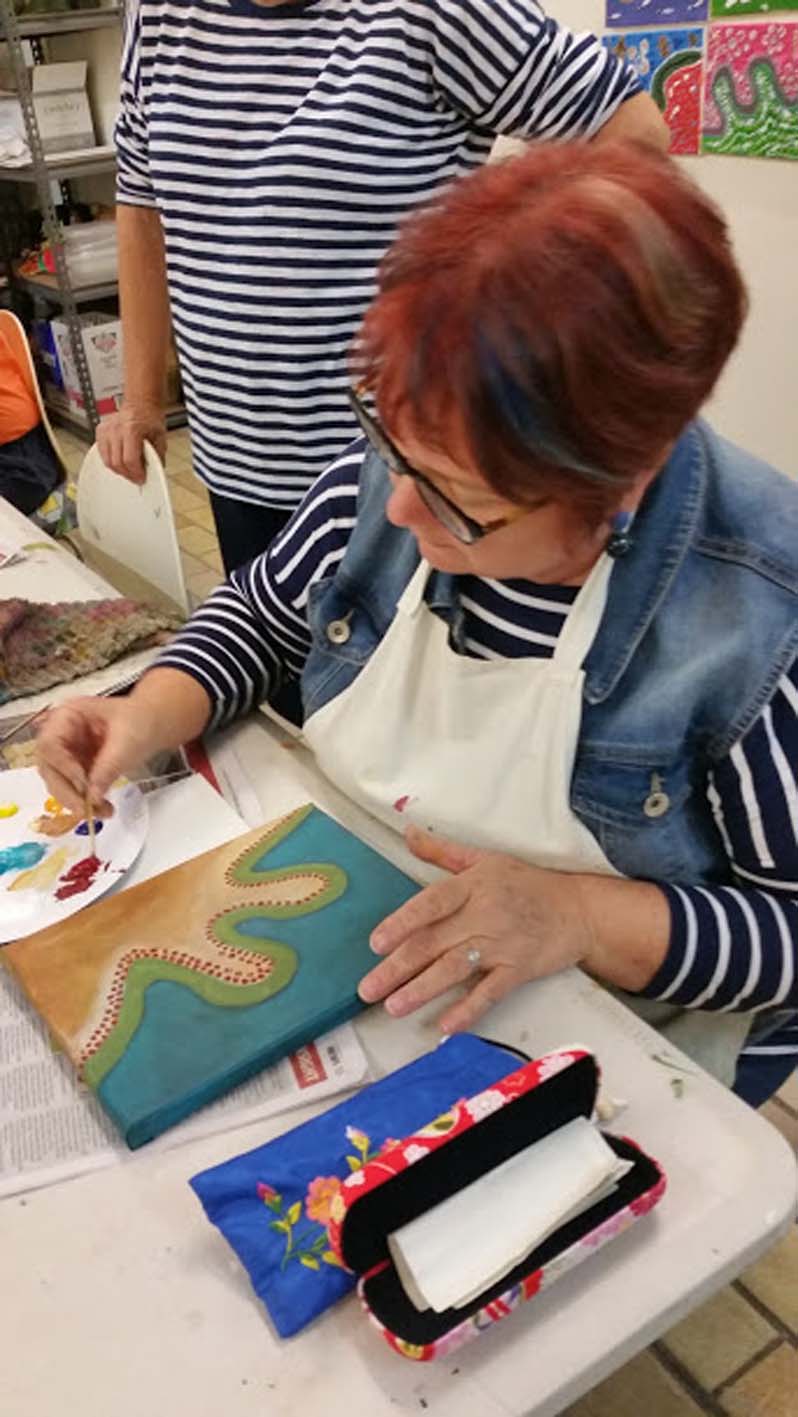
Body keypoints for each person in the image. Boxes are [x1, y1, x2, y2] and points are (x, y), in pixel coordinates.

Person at [39, 140, 798, 1107]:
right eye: (390, 446)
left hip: (619, 1061)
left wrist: (581, 915)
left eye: (455, 498)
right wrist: (147, 711)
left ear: (619, 485)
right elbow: (263, 613)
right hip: (369, 967)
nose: (396, 510)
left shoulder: (759, 622)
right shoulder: (406, 467)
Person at [97, 0, 667, 573]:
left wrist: (533, 321)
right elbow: (141, 202)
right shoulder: (156, 15)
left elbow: (631, 129)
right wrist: (143, 399)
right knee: (269, 644)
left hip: (407, 482)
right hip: (237, 454)